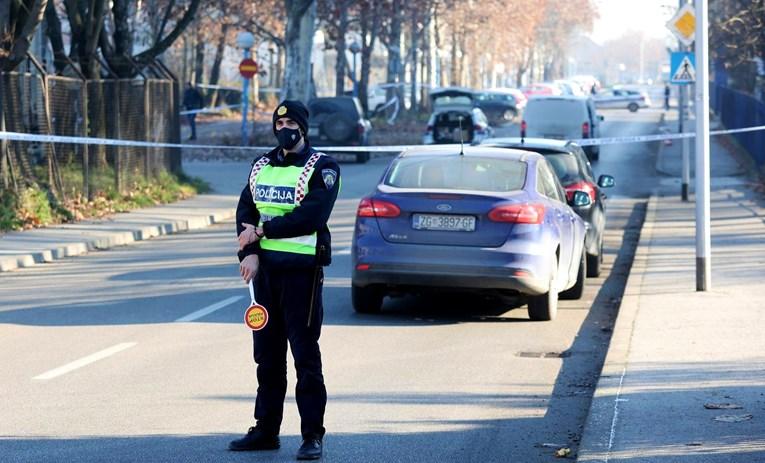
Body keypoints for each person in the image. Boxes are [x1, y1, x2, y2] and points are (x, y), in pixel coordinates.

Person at [230, 100, 340, 461]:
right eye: (279, 123)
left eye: (291, 122)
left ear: (303, 128)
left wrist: (263, 231)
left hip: (301, 275)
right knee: (267, 356)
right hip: (266, 275)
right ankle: (265, 430)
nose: (284, 128)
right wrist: (249, 253)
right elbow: (245, 210)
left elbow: (311, 215)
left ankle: (312, 435)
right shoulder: (261, 165)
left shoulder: (322, 167)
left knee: (305, 356)